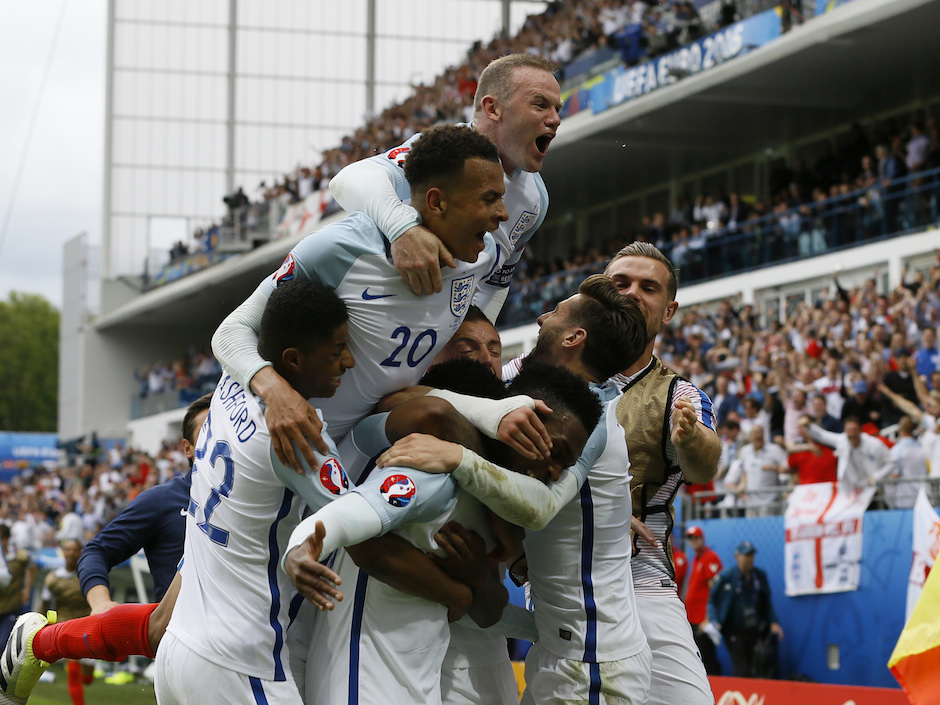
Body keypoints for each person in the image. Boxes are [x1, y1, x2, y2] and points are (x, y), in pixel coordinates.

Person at [211, 124, 550, 475]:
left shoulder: (485, 254)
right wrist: (276, 393)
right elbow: (231, 330)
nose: (503, 215)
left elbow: (487, 299)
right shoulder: (341, 249)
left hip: (358, 450)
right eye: (489, 199)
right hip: (276, 439)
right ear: (437, 201)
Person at [287, 362, 603, 705]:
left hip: (418, 680)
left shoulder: (494, 502)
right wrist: (301, 547)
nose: (555, 472)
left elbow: (482, 613)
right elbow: (357, 515)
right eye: (555, 452)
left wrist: (544, 628)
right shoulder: (432, 471)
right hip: (361, 677)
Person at [329, 53, 562, 312]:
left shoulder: (536, 200)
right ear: (493, 109)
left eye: (557, 109)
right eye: (540, 105)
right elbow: (346, 180)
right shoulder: (443, 152)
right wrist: (403, 230)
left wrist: (472, 340)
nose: (555, 119)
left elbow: (495, 284)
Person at [604, 242, 719, 705]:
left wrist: (690, 440)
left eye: (648, 287)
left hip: (642, 582)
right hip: (557, 579)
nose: (632, 293)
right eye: (621, 283)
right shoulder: (535, 370)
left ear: (668, 310)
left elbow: (704, 465)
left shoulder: (679, 393)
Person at [79, 393, 212, 616]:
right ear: (187, 448)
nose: (219, 438)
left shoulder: (266, 495)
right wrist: (100, 602)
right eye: (208, 430)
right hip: (183, 642)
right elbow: (96, 551)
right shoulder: (162, 500)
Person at [707, 541, 784, 678]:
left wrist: (774, 622)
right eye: (747, 555)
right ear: (737, 557)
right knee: (741, 670)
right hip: (733, 630)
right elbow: (712, 600)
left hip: (755, 630)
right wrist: (714, 619)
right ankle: (741, 695)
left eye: (752, 555)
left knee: (757, 667)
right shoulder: (727, 576)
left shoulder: (759, 576)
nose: (750, 558)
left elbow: (767, 602)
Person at [38, 540, 94, 705]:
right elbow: (45, 602)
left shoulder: (87, 573)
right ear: (63, 552)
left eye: (74, 550)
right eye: (67, 550)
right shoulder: (53, 578)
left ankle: (88, 674)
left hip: (86, 623)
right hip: (64, 624)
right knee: (73, 664)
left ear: (80, 552)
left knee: (88, 676)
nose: (70, 553)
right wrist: (39, 624)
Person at [802, 415, 894, 491]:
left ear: (860, 430)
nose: (852, 434)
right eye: (849, 430)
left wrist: (876, 477)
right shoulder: (843, 441)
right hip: (856, 489)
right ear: (845, 431)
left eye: (855, 430)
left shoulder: (875, 444)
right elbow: (823, 435)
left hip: (876, 488)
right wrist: (809, 426)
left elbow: (892, 461)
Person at [683, 526, 722, 676]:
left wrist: (708, 618)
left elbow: (715, 591)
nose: (693, 541)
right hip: (693, 618)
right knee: (697, 659)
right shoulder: (697, 558)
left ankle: (714, 690)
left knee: (707, 658)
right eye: (691, 539)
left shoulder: (709, 557)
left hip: (702, 620)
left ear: (702, 539)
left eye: (696, 538)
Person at [724, 426, 788, 516]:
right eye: (755, 433)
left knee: (767, 528)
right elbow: (744, 471)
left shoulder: (775, 450)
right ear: (750, 437)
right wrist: (743, 484)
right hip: (751, 502)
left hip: (770, 501)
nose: (758, 435)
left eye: (760, 432)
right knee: (752, 528)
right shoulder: (744, 451)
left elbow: (788, 468)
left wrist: (774, 468)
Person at [0, 525, 35, 655]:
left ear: (6, 540)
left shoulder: (19, 557)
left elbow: (32, 567)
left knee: (3, 644)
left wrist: (27, 589)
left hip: (11, 607)